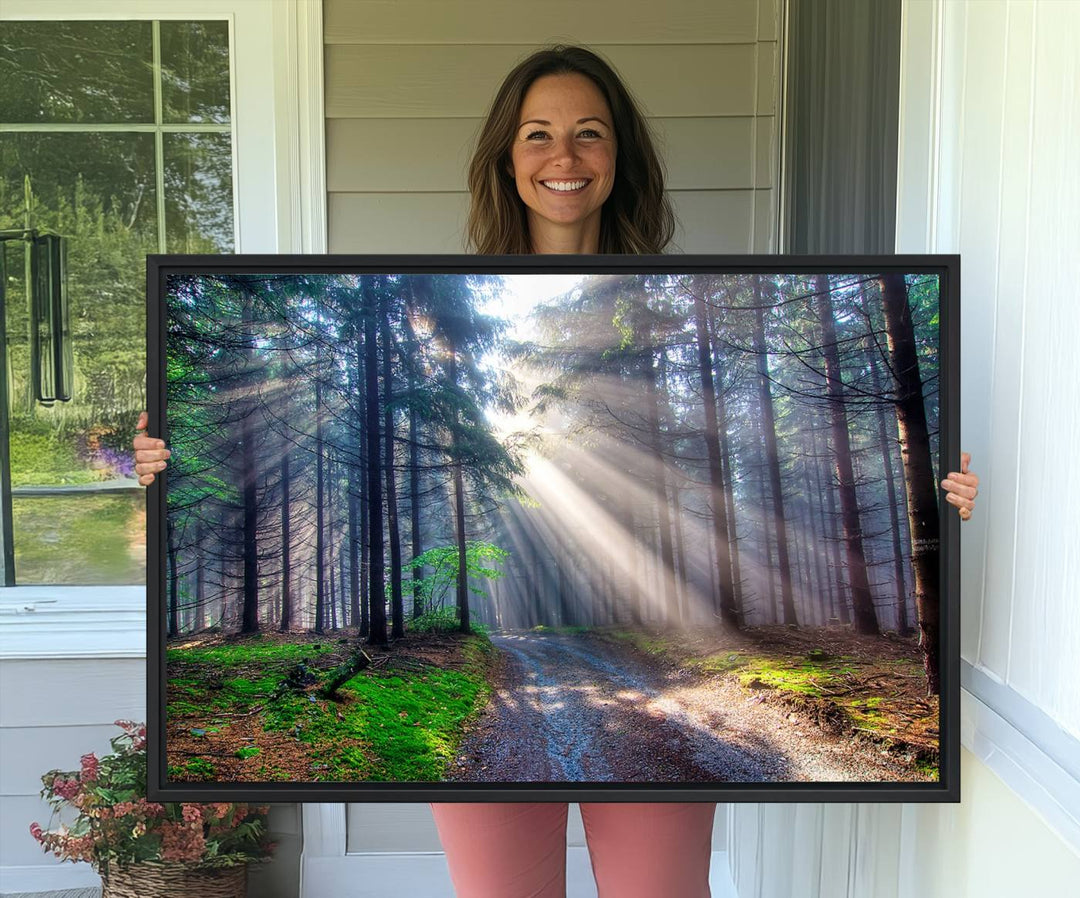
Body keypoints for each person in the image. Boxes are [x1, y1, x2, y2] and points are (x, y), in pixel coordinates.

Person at [133, 44, 979, 898]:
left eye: (589, 134)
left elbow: (741, 467)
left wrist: (940, 493)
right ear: (507, 157)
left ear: (620, 158)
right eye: (538, 134)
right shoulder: (439, 314)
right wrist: (161, 468)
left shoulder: (679, 300)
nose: (563, 157)